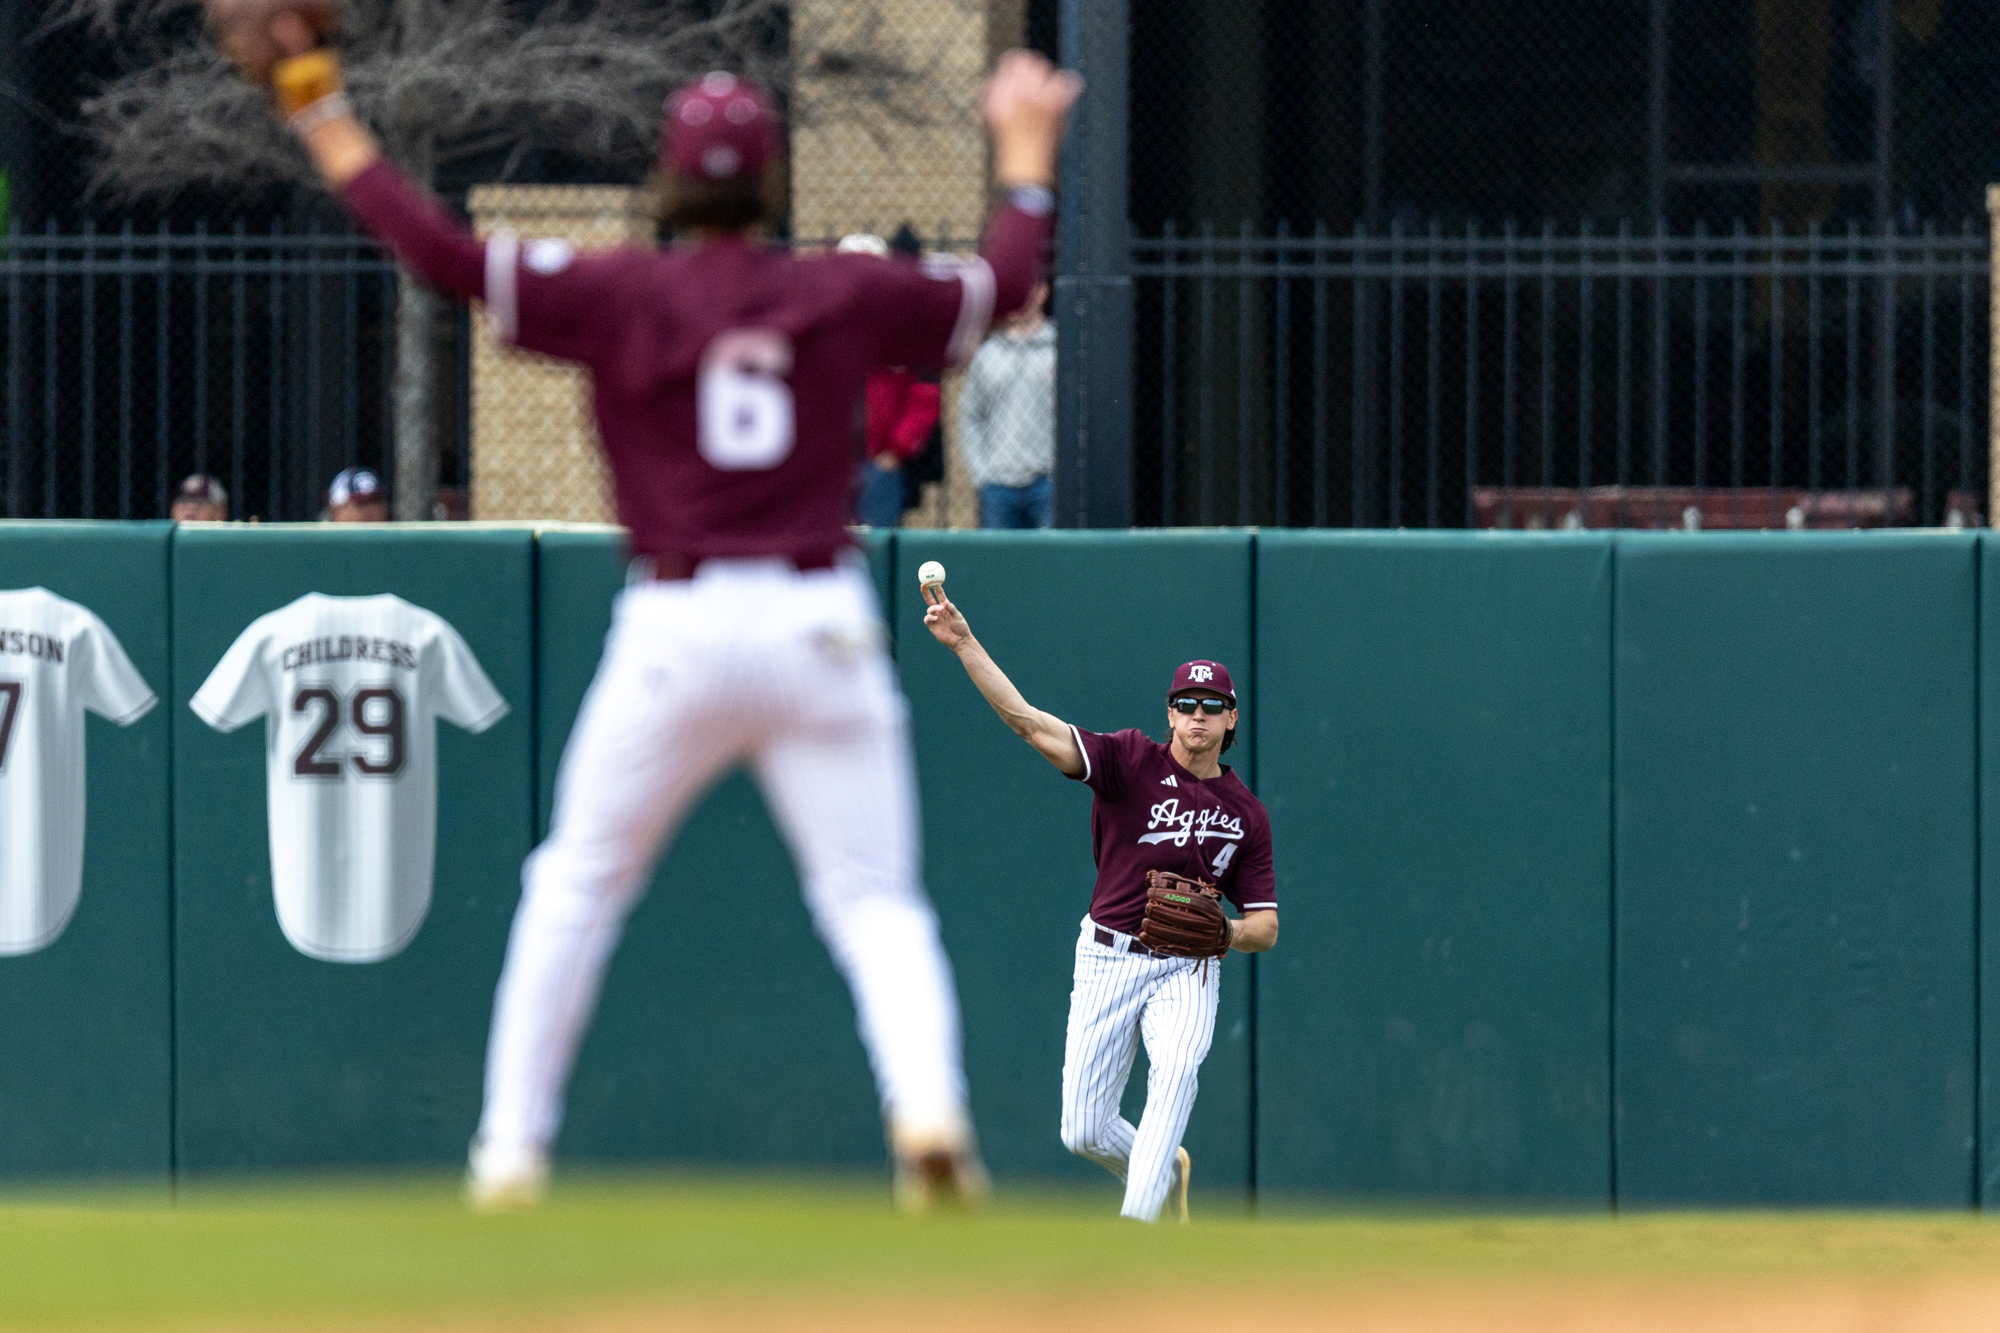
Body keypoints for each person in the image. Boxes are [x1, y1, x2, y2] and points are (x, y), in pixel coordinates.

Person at [202, 0, 1080, 1211]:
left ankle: (511, 1151)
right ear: (768, 182)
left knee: (574, 886)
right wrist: (1026, 150)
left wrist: (317, 99)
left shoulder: (617, 293)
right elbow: (1008, 280)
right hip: (818, 621)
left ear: (670, 178)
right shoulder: (833, 291)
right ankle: (927, 1113)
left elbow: (435, 252)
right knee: (876, 901)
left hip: (673, 629)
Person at [920, 583, 1279, 1223]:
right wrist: (965, 643)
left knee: (1174, 1073)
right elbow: (1027, 722)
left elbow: (1265, 927)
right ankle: (1163, 1165)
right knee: (1083, 1131)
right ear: (1170, 714)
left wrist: (1223, 935)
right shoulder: (1128, 761)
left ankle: (1137, 1235)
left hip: (1187, 967)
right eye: (1185, 703)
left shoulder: (1246, 814)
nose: (1197, 715)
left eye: (1212, 705)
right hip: (1109, 955)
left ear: (1231, 720)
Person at [837, 233, 942, 530]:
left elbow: (925, 394)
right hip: (834, 464)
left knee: (879, 553)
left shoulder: (904, 330)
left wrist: (897, 450)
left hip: (881, 464)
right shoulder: (828, 329)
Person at [958, 280, 1055, 528]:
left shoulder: (1059, 349)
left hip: (1048, 482)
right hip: (997, 486)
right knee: (998, 565)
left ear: (1042, 292)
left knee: (1051, 564)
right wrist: (981, 474)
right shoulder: (987, 354)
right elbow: (971, 416)